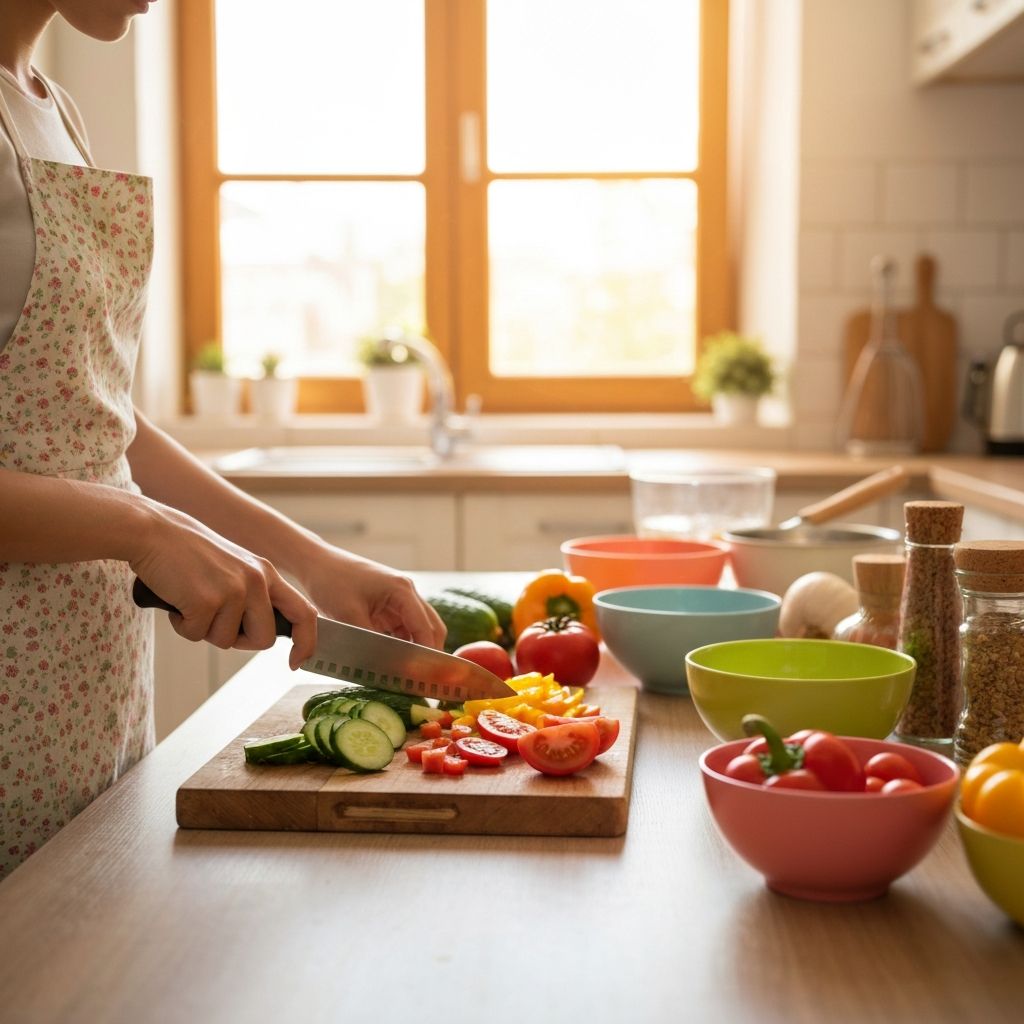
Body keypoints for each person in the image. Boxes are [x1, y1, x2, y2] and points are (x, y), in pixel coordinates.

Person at [0, 0, 446, 879]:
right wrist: (144, 531)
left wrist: (313, 562)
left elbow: (96, 417)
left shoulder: (49, 108)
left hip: (81, 683)